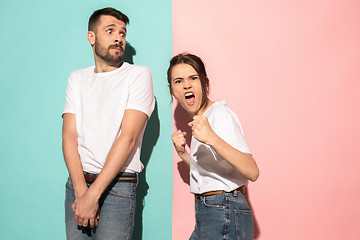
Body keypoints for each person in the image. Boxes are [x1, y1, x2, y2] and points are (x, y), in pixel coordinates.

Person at [62, 7, 155, 240]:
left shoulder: (138, 75)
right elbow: (69, 137)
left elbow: (128, 137)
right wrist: (82, 192)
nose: (118, 38)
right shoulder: (77, 78)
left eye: (122, 33)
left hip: (118, 187)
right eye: (110, 31)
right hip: (77, 185)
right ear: (91, 37)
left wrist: (92, 196)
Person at [168, 53, 259, 240]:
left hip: (223, 209)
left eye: (193, 78)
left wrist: (212, 138)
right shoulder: (204, 120)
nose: (186, 85)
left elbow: (252, 171)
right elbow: (212, 172)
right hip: (209, 210)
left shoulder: (219, 115)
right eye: (178, 81)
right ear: (172, 91)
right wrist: (183, 153)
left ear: (205, 83)